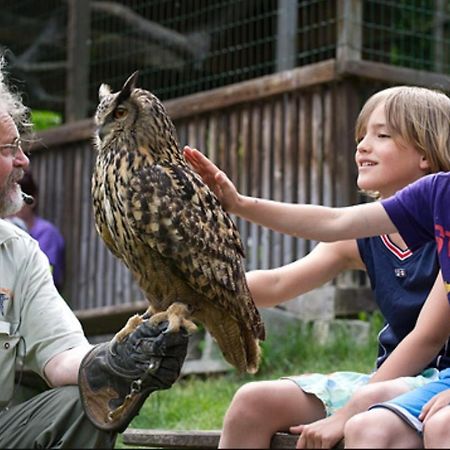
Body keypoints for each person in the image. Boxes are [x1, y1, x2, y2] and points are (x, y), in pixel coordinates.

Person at [183, 85, 450, 448]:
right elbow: (280, 280)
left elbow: (426, 337)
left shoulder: (442, 220)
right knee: (251, 402)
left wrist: (350, 411)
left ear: (426, 152)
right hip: (382, 379)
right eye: (361, 136)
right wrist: (193, 289)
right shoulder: (367, 236)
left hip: (427, 378)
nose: (362, 146)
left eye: (382, 135)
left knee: (368, 422)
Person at [0, 57, 189, 448]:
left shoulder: (18, 253)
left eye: (20, 146)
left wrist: (116, 362)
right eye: (9, 149)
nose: (24, 161)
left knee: (84, 402)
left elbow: (61, 354)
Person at [8, 169, 66, 291]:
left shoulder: (46, 233)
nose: (11, 206)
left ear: (31, 200)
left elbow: (45, 276)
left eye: (16, 200)